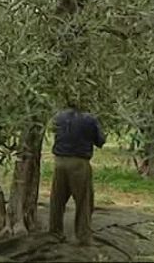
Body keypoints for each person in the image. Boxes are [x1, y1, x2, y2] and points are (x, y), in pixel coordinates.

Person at [48, 102, 106, 246]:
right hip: (79, 162)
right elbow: (100, 141)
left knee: (57, 199)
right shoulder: (90, 119)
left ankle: (55, 232)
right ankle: (83, 236)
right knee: (84, 200)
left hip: (59, 162)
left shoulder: (59, 117)